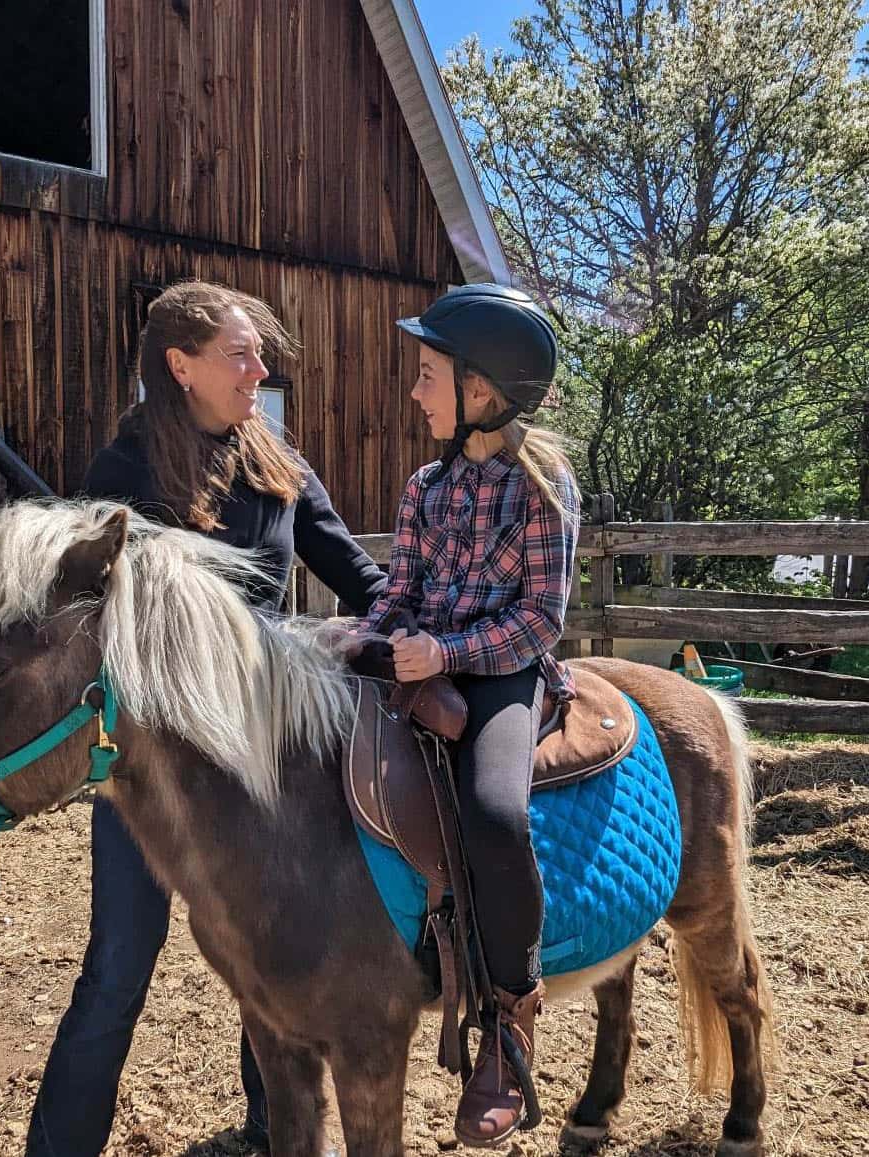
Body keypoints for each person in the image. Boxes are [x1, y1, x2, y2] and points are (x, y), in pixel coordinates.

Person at [28, 280, 387, 1157]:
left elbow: (355, 571)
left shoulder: (276, 462)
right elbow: (100, 622)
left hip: (263, 756)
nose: (260, 371)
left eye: (260, 355)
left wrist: (425, 632)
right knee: (119, 963)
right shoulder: (123, 475)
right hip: (156, 764)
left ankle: (275, 1125)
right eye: (241, 354)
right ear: (181, 366)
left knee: (276, 949)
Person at [360, 284, 581, 1147]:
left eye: (429, 375)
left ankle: (510, 1017)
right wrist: (367, 638)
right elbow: (399, 589)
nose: (416, 391)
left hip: (500, 672)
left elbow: (540, 620)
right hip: (419, 657)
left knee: (494, 813)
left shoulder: (543, 488)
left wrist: (446, 653)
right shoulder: (425, 486)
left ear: (479, 389)